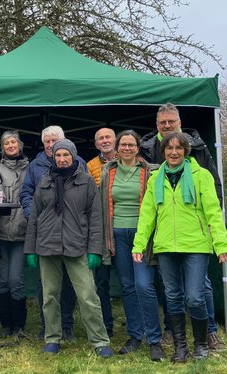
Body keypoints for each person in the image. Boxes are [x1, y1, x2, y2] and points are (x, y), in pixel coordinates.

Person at [133, 131, 227, 363]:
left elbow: (213, 212)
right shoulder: (155, 178)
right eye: (169, 148)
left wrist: (221, 243)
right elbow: (147, 215)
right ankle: (180, 347)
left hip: (196, 245)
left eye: (178, 148)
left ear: (185, 151)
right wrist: (139, 243)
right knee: (173, 297)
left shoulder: (201, 175)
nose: (174, 152)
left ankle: (200, 344)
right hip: (165, 246)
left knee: (195, 297)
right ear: (163, 151)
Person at [24, 139, 113, 358]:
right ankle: (52, 338)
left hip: (77, 245)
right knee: (50, 295)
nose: (62, 159)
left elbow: (95, 218)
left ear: (73, 156)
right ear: (53, 157)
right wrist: (31, 249)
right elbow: (34, 217)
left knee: (88, 295)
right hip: (47, 245)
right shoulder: (44, 182)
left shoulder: (86, 182)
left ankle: (100, 340)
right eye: (58, 155)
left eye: (66, 155)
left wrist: (95, 250)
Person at [99, 130, 165, 361]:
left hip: (142, 236)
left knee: (144, 285)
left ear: (138, 148)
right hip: (117, 235)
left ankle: (155, 340)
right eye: (123, 145)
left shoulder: (150, 171)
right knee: (127, 286)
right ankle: (135, 336)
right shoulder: (109, 171)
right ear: (117, 149)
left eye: (131, 145)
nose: (127, 148)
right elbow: (102, 204)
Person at [20, 125, 86, 340]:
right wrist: (34, 215)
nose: (50, 145)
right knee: (45, 284)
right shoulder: (35, 166)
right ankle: (47, 325)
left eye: (54, 140)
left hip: (72, 232)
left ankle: (66, 325)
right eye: (47, 141)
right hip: (46, 233)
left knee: (68, 281)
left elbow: (87, 197)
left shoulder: (80, 164)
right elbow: (26, 193)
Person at [0, 131, 30, 338]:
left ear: (20, 145)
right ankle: (5, 325)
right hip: (0, 232)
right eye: (6, 143)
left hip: (21, 232)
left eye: (13, 142)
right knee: (2, 280)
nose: (10, 145)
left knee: (16, 279)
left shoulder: (31, 168)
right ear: (2, 147)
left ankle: (20, 325)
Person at [87, 127, 116, 338]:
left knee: (132, 280)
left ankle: (139, 325)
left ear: (115, 140)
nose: (105, 141)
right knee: (102, 282)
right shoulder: (90, 166)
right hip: (102, 233)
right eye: (101, 139)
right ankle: (107, 324)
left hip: (126, 229)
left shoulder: (132, 161)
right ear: (96, 144)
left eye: (108, 137)